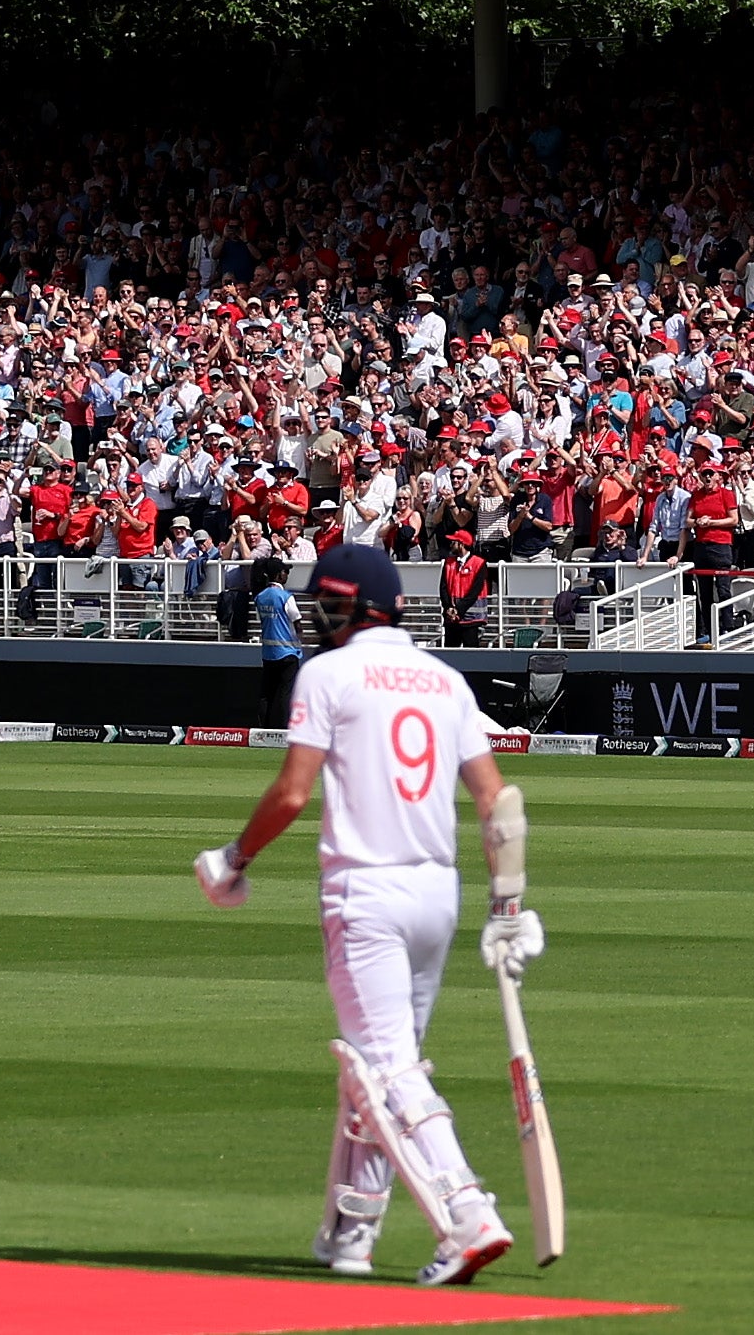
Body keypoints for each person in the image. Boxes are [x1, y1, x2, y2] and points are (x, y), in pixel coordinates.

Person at [192, 543, 528, 1288]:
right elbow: (497, 800)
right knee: (374, 1064)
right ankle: (353, 1228)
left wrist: (234, 860)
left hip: (365, 895)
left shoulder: (328, 673)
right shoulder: (444, 680)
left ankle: (467, 1212)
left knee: (385, 1069)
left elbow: (290, 793)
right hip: (436, 894)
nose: (322, 620)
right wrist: (508, 904)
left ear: (358, 606)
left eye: (331, 606)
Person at [252, 553, 301, 724]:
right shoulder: (286, 596)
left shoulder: (260, 597)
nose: (287, 575)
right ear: (280, 574)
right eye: (285, 572)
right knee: (285, 692)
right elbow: (297, 622)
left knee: (267, 692)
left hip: (268, 652)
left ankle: (263, 726)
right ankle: (283, 728)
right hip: (288, 652)